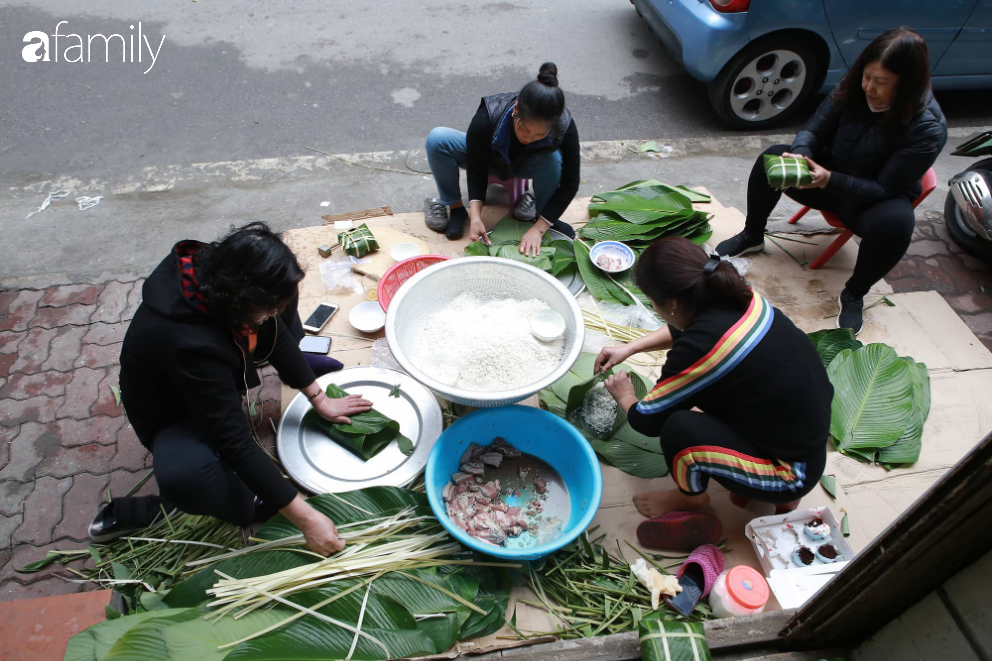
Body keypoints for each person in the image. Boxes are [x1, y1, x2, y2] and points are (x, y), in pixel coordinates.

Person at [89, 222, 371, 556]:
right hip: (174, 408)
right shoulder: (191, 344)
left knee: (282, 302)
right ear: (236, 305)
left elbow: (275, 326)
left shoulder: (224, 272)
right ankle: (231, 505)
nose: (274, 316)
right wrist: (307, 519)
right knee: (190, 475)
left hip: (217, 362)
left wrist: (317, 396)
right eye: (267, 310)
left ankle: (298, 363)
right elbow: (235, 443)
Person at [715, 27, 948, 335]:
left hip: (866, 202)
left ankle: (855, 292)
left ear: (907, 84)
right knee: (771, 158)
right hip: (824, 177)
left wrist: (829, 180)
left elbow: (883, 188)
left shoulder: (927, 128)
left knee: (897, 223)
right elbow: (812, 131)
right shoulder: (852, 88)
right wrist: (800, 155)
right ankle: (753, 234)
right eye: (867, 76)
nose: (869, 88)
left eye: (881, 83)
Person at [595, 238, 833, 521]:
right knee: (709, 397)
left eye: (653, 302)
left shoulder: (700, 350)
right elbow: (689, 328)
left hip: (790, 473)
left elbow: (646, 420)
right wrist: (630, 347)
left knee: (678, 427)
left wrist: (624, 393)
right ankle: (769, 487)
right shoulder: (737, 295)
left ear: (671, 303)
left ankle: (691, 499)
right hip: (802, 437)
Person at [423, 62, 580, 255]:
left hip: (528, 165)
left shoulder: (564, 127)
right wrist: (475, 215)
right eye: (524, 129)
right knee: (438, 139)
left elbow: (570, 183)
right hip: (489, 159)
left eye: (538, 135)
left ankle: (544, 215)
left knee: (554, 159)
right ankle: (455, 208)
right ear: (515, 110)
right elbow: (476, 167)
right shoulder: (488, 116)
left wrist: (538, 229)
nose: (528, 138)